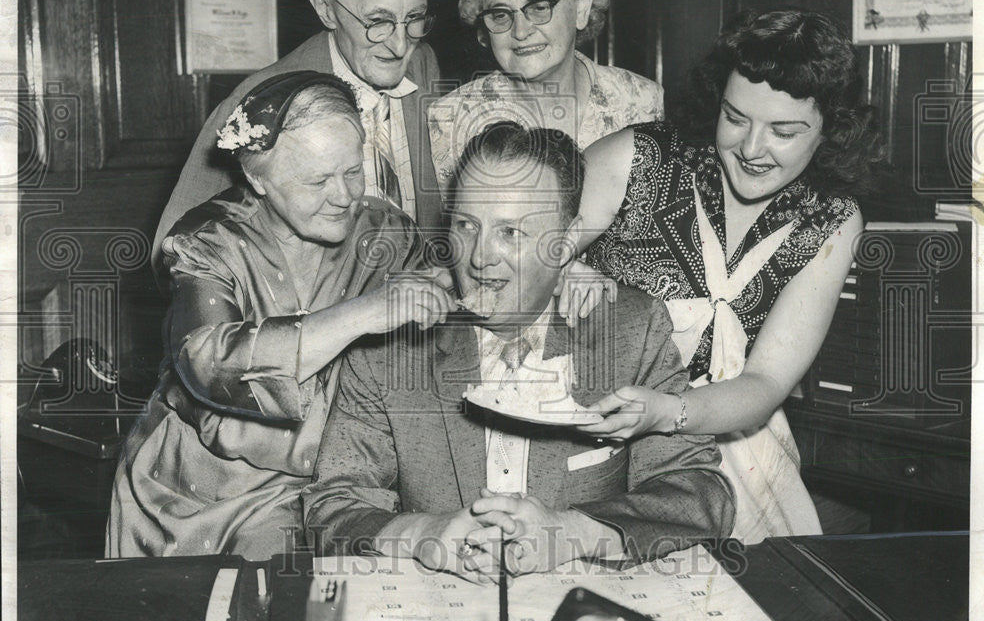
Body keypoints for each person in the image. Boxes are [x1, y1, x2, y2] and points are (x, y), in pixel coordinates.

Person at [302, 123, 734, 579]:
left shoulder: (629, 329)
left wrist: (574, 534)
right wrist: (421, 536)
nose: (479, 258)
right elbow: (332, 507)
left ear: (565, 246)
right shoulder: (391, 345)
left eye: (510, 232)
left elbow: (702, 494)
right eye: (467, 225)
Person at [107, 72, 456, 560]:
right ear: (258, 179)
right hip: (198, 492)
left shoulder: (387, 233)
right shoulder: (210, 240)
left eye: (353, 171)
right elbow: (208, 363)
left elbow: (458, 294)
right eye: (317, 180)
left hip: (337, 481)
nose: (344, 197)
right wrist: (364, 313)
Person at [570, 9, 885, 544]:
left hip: (725, 448)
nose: (752, 148)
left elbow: (766, 381)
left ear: (831, 131)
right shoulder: (639, 158)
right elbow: (513, 259)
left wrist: (669, 412)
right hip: (584, 435)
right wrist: (562, 269)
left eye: (784, 131)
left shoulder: (831, 219)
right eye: (736, 118)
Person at [153, 0, 444, 273]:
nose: (401, 45)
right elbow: (173, 252)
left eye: (415, 18)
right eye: (378, 22)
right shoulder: (257, 101)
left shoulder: (425, 64)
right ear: (326, 9)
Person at [426, 0, 663, 187]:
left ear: (582, 9)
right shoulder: (449, 120)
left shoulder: (642, 102)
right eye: (501, 14)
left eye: (539, 7)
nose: (521, 31)